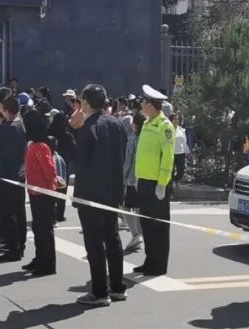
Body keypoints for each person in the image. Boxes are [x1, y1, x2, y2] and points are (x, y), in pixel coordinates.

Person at [72, 84, 129, 306]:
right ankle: (117, 287)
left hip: (91, 193)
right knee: (113, 239)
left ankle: (99, 291)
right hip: (112, 190)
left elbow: (78, 162)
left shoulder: (89, 127)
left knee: (94, 243)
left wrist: (74, 131)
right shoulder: (117, 124)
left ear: (85, 103)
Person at [134, 86, 176, 277]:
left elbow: (167, 157)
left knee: (159, 226)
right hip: (144, 181)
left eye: (144, 102)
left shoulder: (164, 126)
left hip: (157, 184)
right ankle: (149, 260)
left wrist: (162, 183)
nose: (142, 105)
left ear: (151, 105)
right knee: (147, 225)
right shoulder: (147, 123)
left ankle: (159, 265)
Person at [0, 95, 27, 262]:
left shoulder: (5, 127)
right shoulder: (21, 125)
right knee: (20, 212)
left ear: (4, 109)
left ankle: (13, 249)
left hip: (6, 175)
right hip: (20, 173)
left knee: (7, 214)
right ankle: (20, 245)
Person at [23, 109, 58, 276]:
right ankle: (39, 258)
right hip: (35, 192)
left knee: (44, 230)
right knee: (38, 228)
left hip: (44, 194)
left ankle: (48, 263)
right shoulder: (34, 145)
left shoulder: (41, 146)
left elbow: (50, 171)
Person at [122, 112, 146, 252]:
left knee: (126, 207)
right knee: (139, 209)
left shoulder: (133, 139)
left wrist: (123, 178)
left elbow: (128, 161)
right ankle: (139, 235)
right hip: (144, 178)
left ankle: (136, 234)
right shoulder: (147, 138)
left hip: (132, 179)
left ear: (136, 125)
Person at [170, 111, 188, 185]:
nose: (176, 120)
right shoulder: (168, 129)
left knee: (181, 172)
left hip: (180, 153)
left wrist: (187, 150)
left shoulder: (181, 129)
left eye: (177, 119)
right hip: (171, 153)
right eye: (174, 119)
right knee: (170, 171)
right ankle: (170, 186)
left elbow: (184, 141)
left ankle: (174, 180)